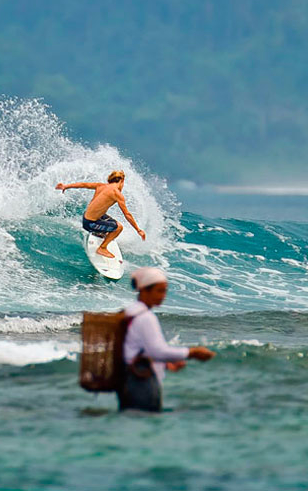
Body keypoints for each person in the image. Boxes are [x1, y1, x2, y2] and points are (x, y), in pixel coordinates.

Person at [117, 267, 214, 412]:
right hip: (141, 381)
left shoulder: (129, 312)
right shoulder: (146, 317)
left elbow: (136, 350)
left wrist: (166, 365)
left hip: (126, 379)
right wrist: (192, 352)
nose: (163, 296)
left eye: (165, 291)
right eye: (159, 291)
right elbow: (158, 351)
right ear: (144, 290)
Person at [55, 170, 145, 258]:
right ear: (122, 181)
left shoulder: (101, 186)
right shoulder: (116, 193)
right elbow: (127, 214)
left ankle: (101, 234)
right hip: (90, 224)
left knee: (113, 221)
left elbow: (83, 185)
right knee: (119, 228)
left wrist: (66, 186)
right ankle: (102, 248)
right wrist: (138, 230)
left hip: (86, 217)